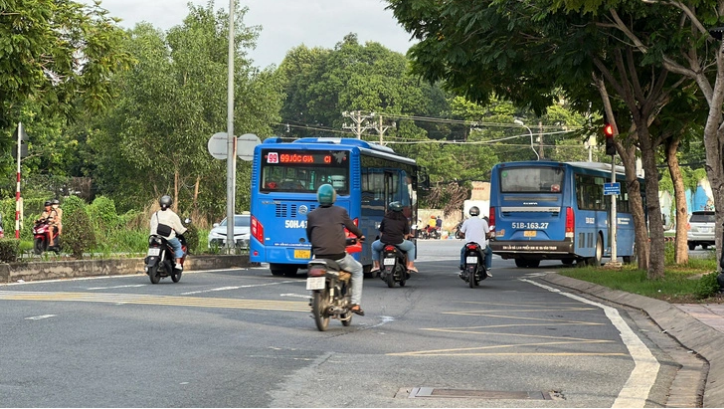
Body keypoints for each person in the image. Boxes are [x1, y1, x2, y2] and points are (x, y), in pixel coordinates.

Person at [305, 184, 366, 316]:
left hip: (318, 256)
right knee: (358, 270)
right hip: (338, 256)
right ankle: (355, 304)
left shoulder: (311, 215)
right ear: (333, 197)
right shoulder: (340, 211)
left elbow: (309, 235)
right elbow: (351, 227)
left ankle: (315, 299)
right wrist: (360, 235)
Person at [371, 201, 418, 274]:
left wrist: (382, 239)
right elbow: (406, 234)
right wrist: (406, 237)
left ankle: (376, 265)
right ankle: (410, 265)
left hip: (384, 241)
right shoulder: (404, 219)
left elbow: (382, 232)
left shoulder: (385, 218)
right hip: (399, 241)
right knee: (411, 246)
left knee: (374, 245)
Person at [150, 195, 187, 271]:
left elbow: (151, 225)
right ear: (170, 204)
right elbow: (179, 229)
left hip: (154, 236)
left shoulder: (155, 214)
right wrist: (185, 230)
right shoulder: (172, 215)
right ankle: (178, 264)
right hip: (167, 236)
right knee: (178, 246)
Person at [459, 206, 492, 277]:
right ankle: (488, 269)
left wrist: (463, 236)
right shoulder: (483, 222)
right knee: (489, 252)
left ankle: (462, 268)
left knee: (462, 252)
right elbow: (488, 233)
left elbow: (461, 233)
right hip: (481, 246)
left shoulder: (466, 221)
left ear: (470, 213)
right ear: (478, 212)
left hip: (468, 245)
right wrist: (488, 237)